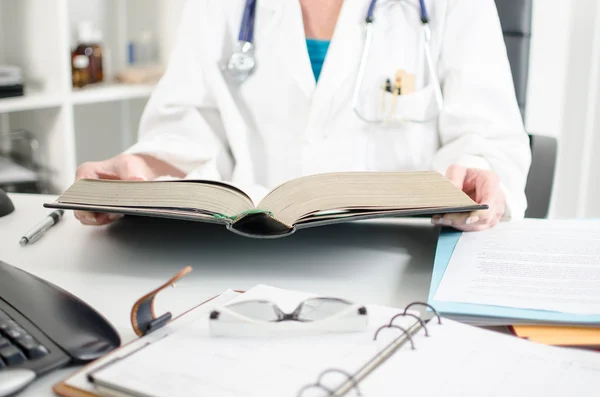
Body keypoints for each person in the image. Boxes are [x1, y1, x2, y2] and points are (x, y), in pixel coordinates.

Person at [75, 0, 531, 232]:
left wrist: (480, 177)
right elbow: (187, 127)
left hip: (406, 261)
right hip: (251, 254)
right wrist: (137, 170)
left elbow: (486, 137)